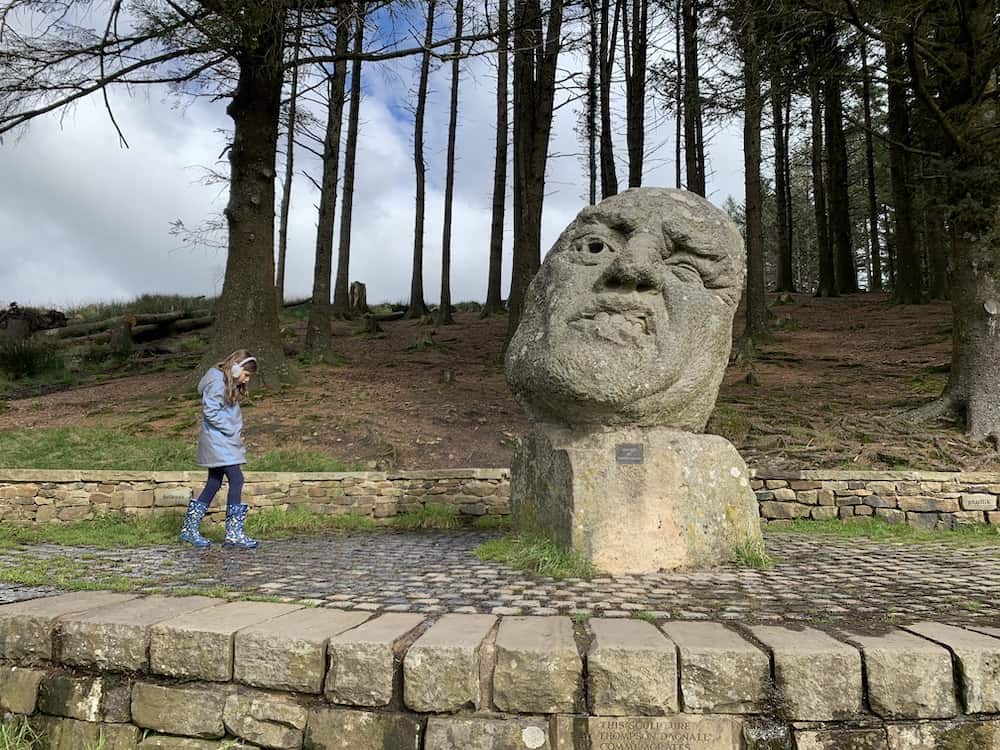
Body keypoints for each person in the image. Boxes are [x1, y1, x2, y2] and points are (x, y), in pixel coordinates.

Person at [179, 349, 260, 549]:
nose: (247, 380)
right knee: (237, 478)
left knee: (214, 483)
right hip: (219, 441)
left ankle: (189, 530)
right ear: (234, 369)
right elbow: (211, 413)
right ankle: (233, 533)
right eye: (246, 374)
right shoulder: (216, 384)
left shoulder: (224, 382)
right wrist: (231, 429)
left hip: (221, 441)